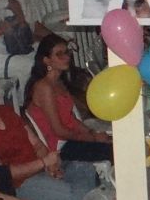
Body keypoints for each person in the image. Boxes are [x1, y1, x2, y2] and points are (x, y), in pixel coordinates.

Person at [0, 71, 99, 200]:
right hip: (21, 183)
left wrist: (51, 166)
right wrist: (43, 163)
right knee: (74, 194)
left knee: (84, 168)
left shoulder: (6, 112)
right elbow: (3, 175)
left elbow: (37, 144)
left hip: (41, 168)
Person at [25, 35, 113, 164]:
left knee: (116, 142)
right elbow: (58, 130)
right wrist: (92, 138)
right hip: (61, 146)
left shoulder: (59, 82)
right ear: (47, 60)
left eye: (67, 52)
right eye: (59, 54)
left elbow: (71, 119)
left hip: (71, 138)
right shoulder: (44, 87)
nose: (66, 57)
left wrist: (92, 133)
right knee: (114, 151)